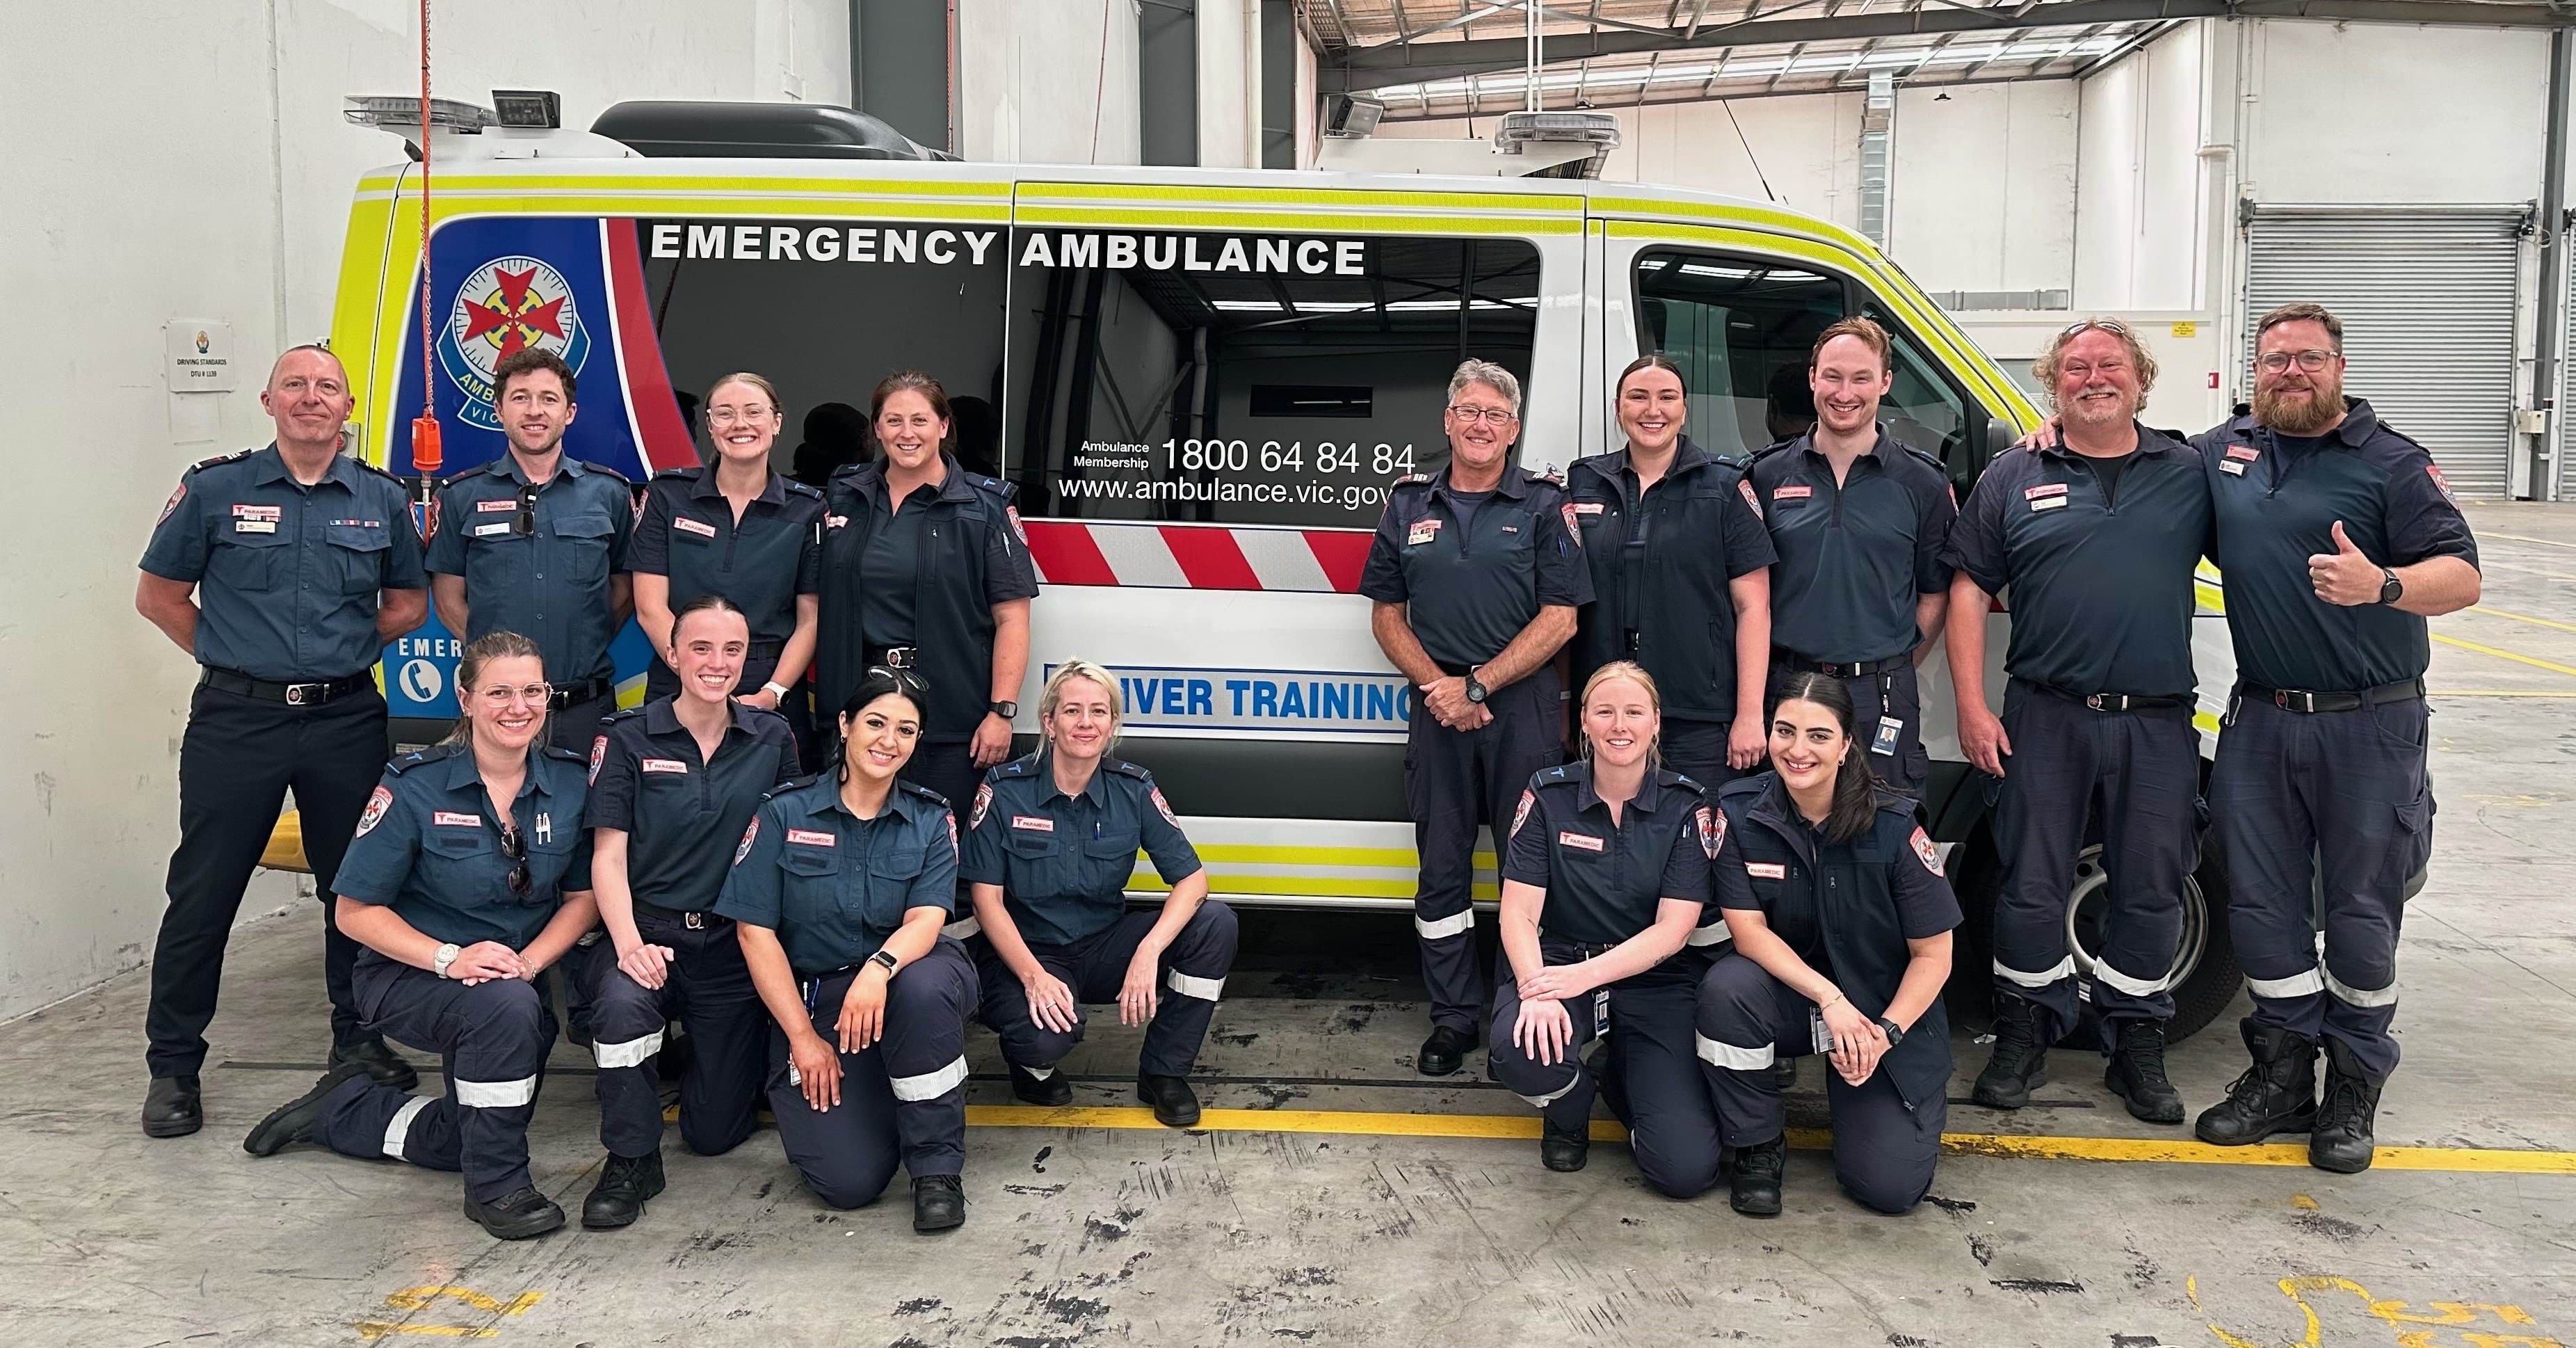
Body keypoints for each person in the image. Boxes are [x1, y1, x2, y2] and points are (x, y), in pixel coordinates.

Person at [2185, 304, 2479, 1171]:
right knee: (2259, 907)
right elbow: (2140, 462)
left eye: (2306, 359)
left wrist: (2381, 584)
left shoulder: (2392, 464)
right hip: (2261, 719)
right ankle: (2279, 1077)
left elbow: (2459, 576)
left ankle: (2352, 1086)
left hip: (2367, 726)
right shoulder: (2224, 453)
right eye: (2273, 360)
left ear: (2338, 366)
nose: (2288, 373)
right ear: (2253, 370)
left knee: (2358, 912)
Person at [134, 344, 428, 1138]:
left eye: (326, 387)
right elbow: (159, 596)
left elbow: (406, 602)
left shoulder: (381, 499)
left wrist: (343, 649)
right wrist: (236, 655)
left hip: (344, 719)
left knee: (355, 889)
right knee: (204, 893)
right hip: (238, 720)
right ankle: (173, 1068)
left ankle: (358, 1043)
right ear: (267, 401)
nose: (310, 398)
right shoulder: (215, 488)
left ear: (348, 407)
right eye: (294, 385)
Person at [240, 632, 599, 1241]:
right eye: (499, 692)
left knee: (471, 1127)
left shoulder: (568, 782)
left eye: (532, 691)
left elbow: (582, 897)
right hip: (409, 975)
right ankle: (498, 1189)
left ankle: (347, 1111)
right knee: (503, 1045)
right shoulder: (413, 785)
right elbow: (354, 912)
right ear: (465, 698)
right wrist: (450, 959)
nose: (519, 707)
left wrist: (531, 963)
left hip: (514, 984)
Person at [1943, 321, 2209, 1125]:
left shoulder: (2188, 471)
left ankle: (2135, 1048)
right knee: (2028, 886)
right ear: (2051, 384)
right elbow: (1964, 588)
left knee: (2150, 888)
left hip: (2155, 720)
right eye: (2075, 368)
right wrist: (1969, 705)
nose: (2093, 378)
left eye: (2109, 366)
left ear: (2141, 379)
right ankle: (2024, 1036)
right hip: (2043, 714)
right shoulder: (2013, 473)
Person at [1361, 359, 1593, 1078]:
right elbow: (1384, 613)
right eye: (1468, 410)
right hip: (1436, 710)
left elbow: (1561, 618)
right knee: (1441, 869)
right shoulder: (1406, 505)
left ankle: (1514, 1009)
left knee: (1529, 869)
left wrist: (1479, 685)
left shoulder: (1543, 505)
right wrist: (1441, 686)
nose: (1480, 424)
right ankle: (1452, 1017)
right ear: (1447, 420)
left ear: (1513, 428)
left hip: (1518, 708)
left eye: (1495, 414)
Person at [716, 666, 979, 1233]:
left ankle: (936, 1169)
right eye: (876, 723)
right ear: (844, 724)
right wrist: (804, 1039)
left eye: (906, 731)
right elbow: (753, 933)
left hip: (904, 975)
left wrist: (879, 969)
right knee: (850, 1183)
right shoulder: (784, 812)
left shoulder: (931, 819)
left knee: (924, 984)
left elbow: (929, 918)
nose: (888, 741)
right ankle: (883, 1097)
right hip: (820, 1000)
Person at [573, 596, 803, 1229]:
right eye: (700, 648)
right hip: (648, 934)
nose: (716, 663)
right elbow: (607, 858)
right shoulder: (626, 737)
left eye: (732, 650)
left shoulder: (772, 738)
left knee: (714, 1132)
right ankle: (631, 1158)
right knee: (621, 1007)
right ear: (673, 654)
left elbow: (783, 849)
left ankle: (702, 1066)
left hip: (730, 947)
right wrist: (626, 946)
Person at [1694, 672, 1959, 1217]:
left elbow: (1935, 955)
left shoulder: (1894, 825)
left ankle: (1876, 1100)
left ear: (1845, 746)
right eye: (1785, 731)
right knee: (1727, 989)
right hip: (1800, 1000)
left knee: (1886, 1189)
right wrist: (1829, 1000)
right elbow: (1749, 932)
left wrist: (1885, 1033)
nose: (1797, 749)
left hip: (1881, 1012)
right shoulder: (1742, 813)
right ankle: (1758, 1141)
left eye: (1818, 735)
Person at [960, 661, 1235, 1128]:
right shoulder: (1007, 790)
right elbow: (986, 900)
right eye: (1072, 711)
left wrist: (1149, 951)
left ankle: (1163, 1072)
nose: (1086, 723)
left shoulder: (1134, 788)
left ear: (1112, 725)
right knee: (1046, 1038)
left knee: (1215, 923)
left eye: (1099, 712)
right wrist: (1033, 977)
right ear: (1049, 722)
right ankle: (1031, 1067)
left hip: (1104, 945)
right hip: (1027, 953)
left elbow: (1193, 882)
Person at [1568, 356, 1775, 959]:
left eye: (1666, 397)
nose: (1651, 410)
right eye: (1637, 396)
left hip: (1699, 715)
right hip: (1611, 719)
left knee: (1702, 858)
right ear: (1618, 408)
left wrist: (1748, 715)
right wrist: (1566, 703)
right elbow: (1561, 603)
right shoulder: (1585, 484)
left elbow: (1754, 607)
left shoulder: (1723, 485)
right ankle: (1625, 1008)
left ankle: (1705, 1000)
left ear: (1684, 408)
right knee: (1618, 858)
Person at [1488, 661, 1721, 1195]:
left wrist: (1581, 978)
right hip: (1560, 961)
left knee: (1684, 1172)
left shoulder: (1688, 806)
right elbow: (1518, 913)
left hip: (1653, 981)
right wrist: (1537, 987)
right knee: (1520, 1052)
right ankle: (1571, 1106)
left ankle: (1622, 1078)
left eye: (1634, 712)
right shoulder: (1548, 796)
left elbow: (1672, 931)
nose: (1621, 725)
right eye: (1606, 711)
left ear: (1656, 722)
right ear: (1585, 723)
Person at [1746, 318, 1957, 798]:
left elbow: (1933, 593)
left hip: (1880, 695)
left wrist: (1890, 662)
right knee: (1783, 834)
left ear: (1885, 382)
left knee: (1880, 834)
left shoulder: (1922, 484)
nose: (1846, 393)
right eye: (1833, 376)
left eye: (1862, 378)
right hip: (1787, 687)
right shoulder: (1765, 476)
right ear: (1813, 379)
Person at [816, 371, 1036, 811]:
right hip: (856, 707)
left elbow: (1012, 619)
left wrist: (1001, 713)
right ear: (877, 429)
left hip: (951, 716)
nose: (907, 433)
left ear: (943, 426)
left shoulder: (984, 507)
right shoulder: (844, 497)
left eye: (920, 420)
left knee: (942, 847)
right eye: (893, 421)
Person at [427, 347, 636, 751]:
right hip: (498, 711)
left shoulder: (609, 493)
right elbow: (448, 597)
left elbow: (624, 590)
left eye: (549, 399)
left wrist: (584, 639)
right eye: (520, 398)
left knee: (589, 813)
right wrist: (494, 661)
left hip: (584, 710)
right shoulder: (461, 496)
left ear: (569, 413)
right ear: (499, 410)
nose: (534, 411)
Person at [630, 372, 827, 760]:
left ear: (776, 423)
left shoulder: (807, 509)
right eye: (725, 413)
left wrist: (773, 693)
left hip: (768, 686)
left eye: (754, 412)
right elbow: (649, 607)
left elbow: (811, 619)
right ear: (709, 425)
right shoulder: (669, 494)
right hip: (678, 679)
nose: (740, 424)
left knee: (773, 808)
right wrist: (696, 672)